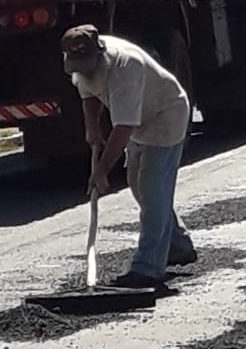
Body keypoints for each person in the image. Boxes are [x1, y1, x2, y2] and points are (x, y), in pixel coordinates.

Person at [61, 24, 197, 291]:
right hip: (139, 117)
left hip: (165, 114)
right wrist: (92, 126)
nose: (81, 68)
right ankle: (178, 245)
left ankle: (147, 268)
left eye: (86, 63)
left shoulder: (125, 66)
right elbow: (88, 92)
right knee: (139, 187)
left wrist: (101, 171)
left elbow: (123, 128)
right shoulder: (78, 60)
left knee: (152, 189)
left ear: (99, 53)